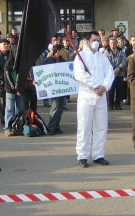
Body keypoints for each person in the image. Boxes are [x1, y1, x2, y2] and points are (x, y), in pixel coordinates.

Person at [73, 31, 114, 168]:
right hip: (86, 97)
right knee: (84, 126)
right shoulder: (81, 56)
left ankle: (98, 154)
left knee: (101, 126)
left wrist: (104, 87)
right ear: (88, 41)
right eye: (94, 39)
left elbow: (110, 73)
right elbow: (80, 75)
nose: (96, 42)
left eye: (98, 40)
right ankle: (83, 155)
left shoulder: (103, 58)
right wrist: (95, 85)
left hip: (101, 96)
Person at [43, 44, 71, 135]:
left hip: (62, 89)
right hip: (53, 89)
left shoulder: (63, 61)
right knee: (55, 108)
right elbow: (43, 73)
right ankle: (51, 127)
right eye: (62, 50)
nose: (64, 52)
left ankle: (56, 126)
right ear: (57, 51)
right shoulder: (48, 60)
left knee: (60, 108)